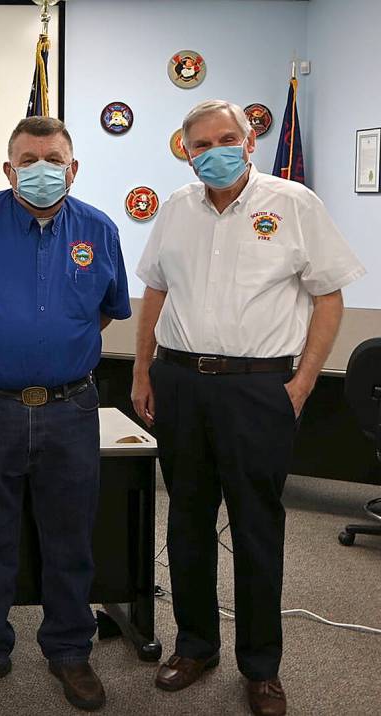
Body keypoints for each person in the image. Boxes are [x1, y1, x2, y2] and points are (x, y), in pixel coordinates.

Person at [131, 99, 365, 716]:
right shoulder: (176, 208)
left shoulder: (293, 203)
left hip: (259, 390)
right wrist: (142, 370)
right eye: (201, 144)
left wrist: (303, 384)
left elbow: (329, 298)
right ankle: (195, 646)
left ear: (250, 140)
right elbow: (155, 289)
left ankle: (261, 668)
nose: (215, 151)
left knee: (257, 528)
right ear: (186, 152)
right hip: (180, 382)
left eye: (226, 138)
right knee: (186, 520)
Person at [0, 116, 131, 712]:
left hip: (71, 409)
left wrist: (51, 350)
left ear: (73, 168)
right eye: (28, 160)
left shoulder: (98, 228)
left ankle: (69, 651)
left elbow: (105, 310)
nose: (42, 169)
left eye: (53, 159)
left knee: (69, 537)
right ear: (9, 168)